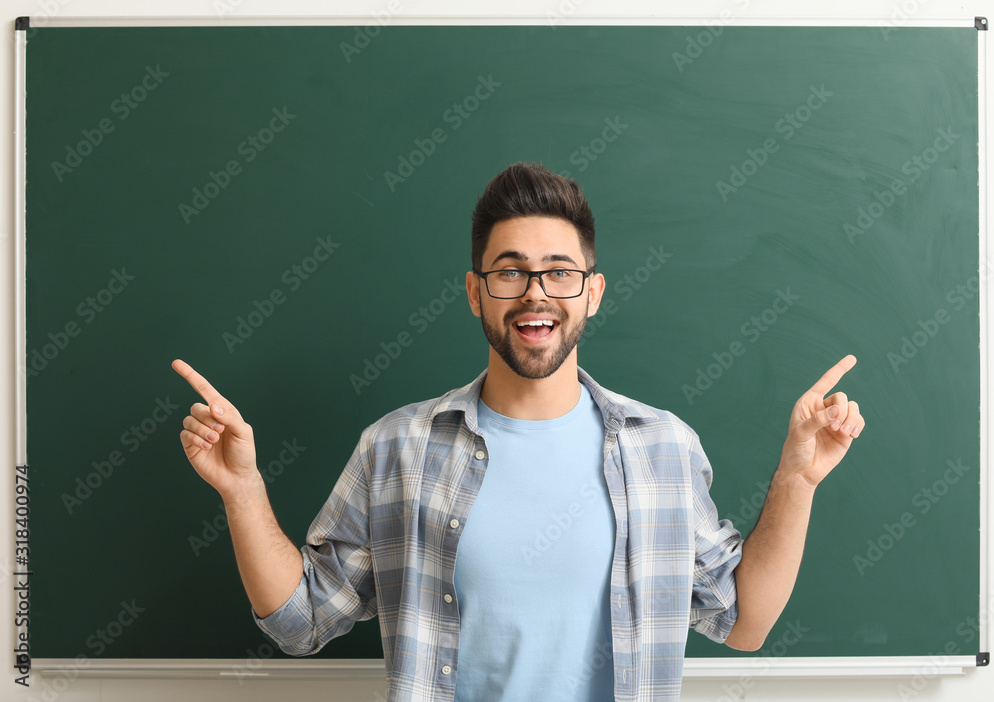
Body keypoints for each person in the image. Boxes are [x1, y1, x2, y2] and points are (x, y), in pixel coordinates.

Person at [173, 161, 864, 701]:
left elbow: (744, 622)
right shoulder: (399, 448)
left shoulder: (663, 449)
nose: (536, 293)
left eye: (559, 273)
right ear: (476, 293)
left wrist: (797, 478)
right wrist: (242, 489)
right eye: (510, 273)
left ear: (592, 293)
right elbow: (302, 623)